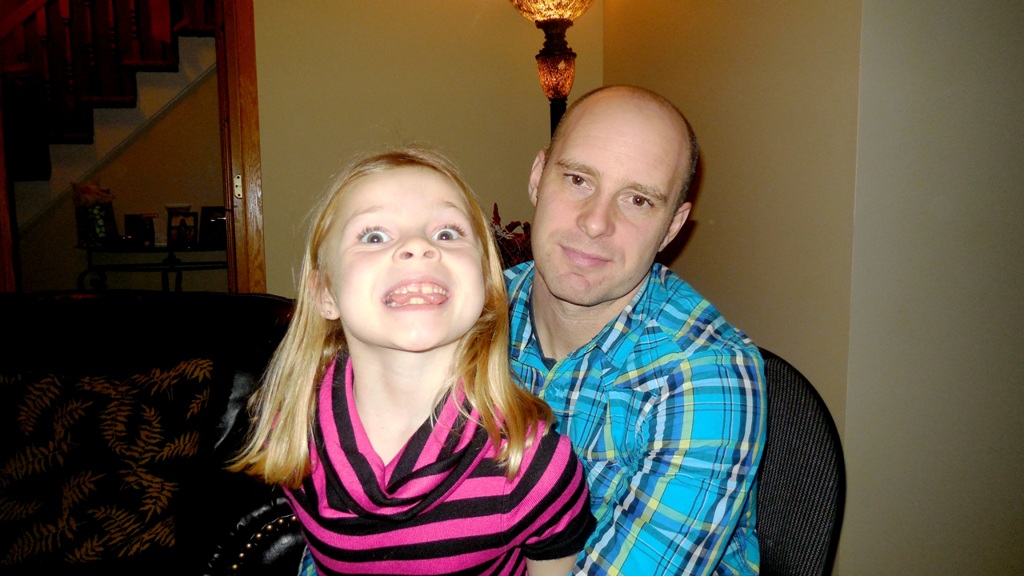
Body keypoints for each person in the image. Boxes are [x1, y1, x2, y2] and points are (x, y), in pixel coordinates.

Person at [230, 146, 595, 575]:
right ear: (324, 292)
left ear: (486, 282)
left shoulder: (532, 465)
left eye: (447, 233)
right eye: (374, 236)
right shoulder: (293, 431)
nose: (418, 246)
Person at [505, 85, 767, 574]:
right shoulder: (470, 319)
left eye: (639, 200)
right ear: (538, 178)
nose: (595, 223)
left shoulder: (705, 377)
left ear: (672, 226)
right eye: (578, 179)